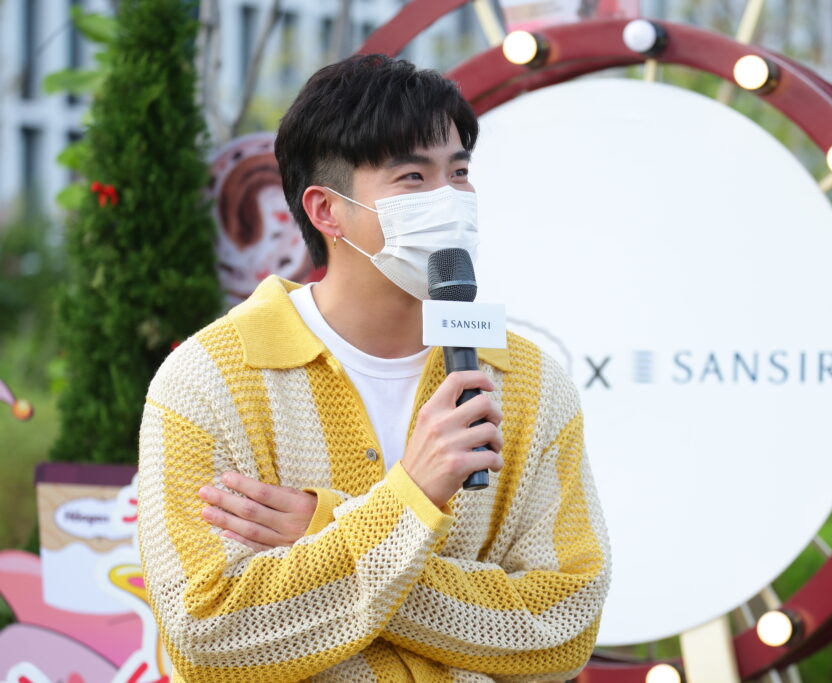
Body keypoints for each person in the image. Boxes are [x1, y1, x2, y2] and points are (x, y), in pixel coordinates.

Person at [137, 54, 610, 682]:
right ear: (326, 210)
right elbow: (208, 633)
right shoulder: (208, 382)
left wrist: (323, 531)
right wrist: (411, 497)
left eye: (459, 172)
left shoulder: (529, 380)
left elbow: (563, 627)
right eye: (413, 177)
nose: (449, 200)